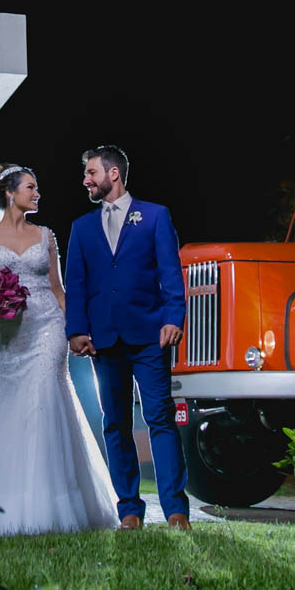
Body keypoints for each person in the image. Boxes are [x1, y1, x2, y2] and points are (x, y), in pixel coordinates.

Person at [0, 163, 117, 535]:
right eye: (31, 187)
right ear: (10, 193)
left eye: (37, 187)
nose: (37, 193)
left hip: (47, 330)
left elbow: (58, 289)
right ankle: (10, 497)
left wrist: (75, 329)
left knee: (45, 398)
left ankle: (53, 499)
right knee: (10, 405)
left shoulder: (47, 236)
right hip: (8, 335)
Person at [64, 145, 191, 531]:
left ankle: (176, 511)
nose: (86, 180)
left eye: (91, 172)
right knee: (115, 424)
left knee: (160, 420)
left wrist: (174, 317)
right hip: (103, 341)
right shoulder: (82, 227)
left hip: (150, 336)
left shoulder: (155, 216)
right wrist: (76, 330)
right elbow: (77, 283)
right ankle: (130, 511)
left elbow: (171, 272)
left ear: (113, 173)